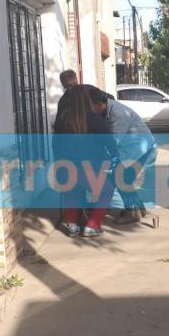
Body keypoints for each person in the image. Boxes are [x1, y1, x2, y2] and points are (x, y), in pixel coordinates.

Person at [53, 85, 117, 238]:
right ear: (86, 100)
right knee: (106, 190)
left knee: (73, 191)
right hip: (88, 168)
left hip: (64, 167)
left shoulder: (62, 119)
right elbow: (109, 141)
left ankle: (72, 226)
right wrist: (115, 156)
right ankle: (92, 226)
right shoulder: (93, 118)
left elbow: (55, 144)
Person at [89, 87, 157, 224]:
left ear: (99, 104)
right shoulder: (108, 110)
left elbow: (113, 141)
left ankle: (133, 212)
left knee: (120, 177)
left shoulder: (118, 113)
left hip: (142, 150)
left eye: (92, 107)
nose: (91, 110)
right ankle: (139, 209)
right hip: (135, 149)